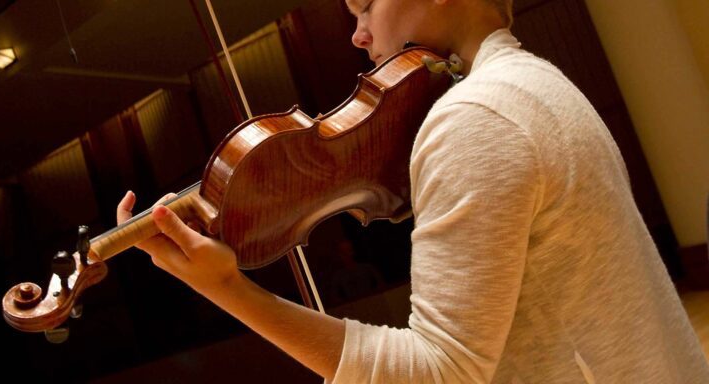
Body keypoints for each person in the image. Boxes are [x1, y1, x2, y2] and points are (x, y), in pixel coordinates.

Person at [117, 0, 709, 382]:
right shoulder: (536, 82)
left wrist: (227, 288)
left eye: (365, 6)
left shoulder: (477, 118)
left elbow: (439, 373)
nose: (357, 34)